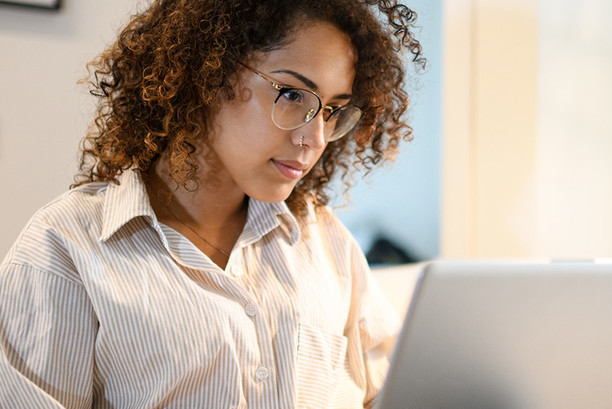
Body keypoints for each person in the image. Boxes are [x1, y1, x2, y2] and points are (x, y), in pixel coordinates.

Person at [0, 0, 424, 407]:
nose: (313, 140)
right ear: (208, 75)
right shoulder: (65, 248)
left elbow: (391, 394)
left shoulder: (324, 240)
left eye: (333, 111)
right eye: (294, 95)